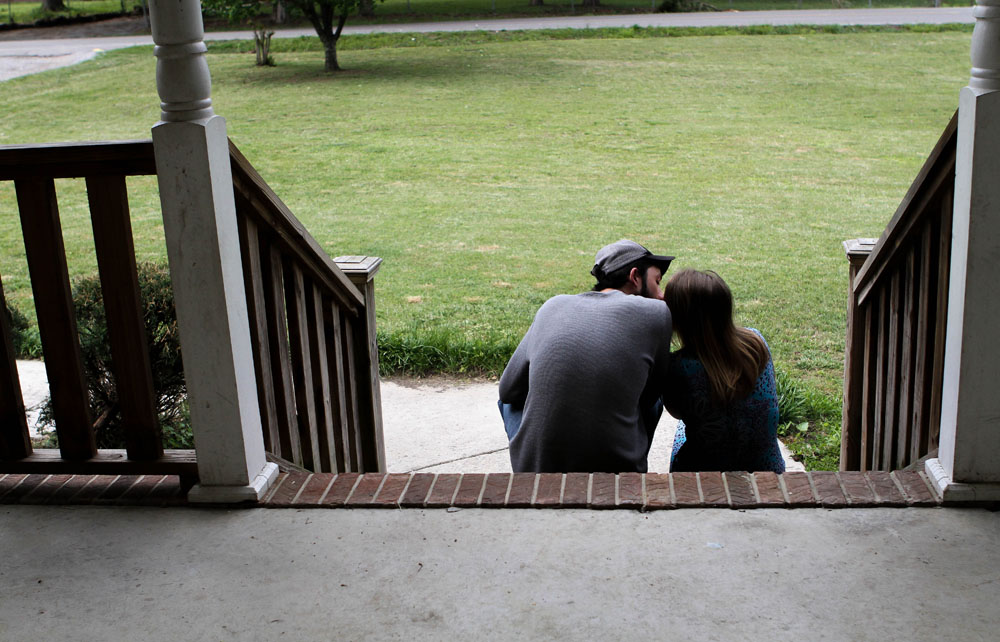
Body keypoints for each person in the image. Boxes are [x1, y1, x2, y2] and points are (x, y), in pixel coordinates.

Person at [498, 240, 674, 473]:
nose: (661, 295)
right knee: (655, 402)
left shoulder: (553, 305)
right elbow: (651, 394)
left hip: (536, 470)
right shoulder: (657, 312)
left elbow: (507, 390)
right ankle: (630, 466)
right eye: (657, 282)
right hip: (618, 469)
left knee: (510, 402)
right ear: (635, 276)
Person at [661, 269, 785, 473]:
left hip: (705, 474)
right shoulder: (756, 343)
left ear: (677, 318)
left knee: (683, 428)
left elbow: (676, 411)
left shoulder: (678, 366)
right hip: (767, 468)